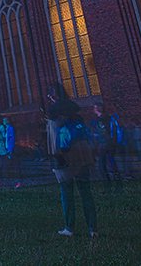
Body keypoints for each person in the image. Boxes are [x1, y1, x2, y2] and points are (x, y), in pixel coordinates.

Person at [46, 83, 97, 238]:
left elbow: (55, 139)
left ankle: (69, 228)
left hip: (66, 157)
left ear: (52, 96)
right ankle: (93, 229)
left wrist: (56, 158)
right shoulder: (75, 112)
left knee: (66, 193)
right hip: (83, 155)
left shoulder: (55, 114)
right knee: (86, 193)